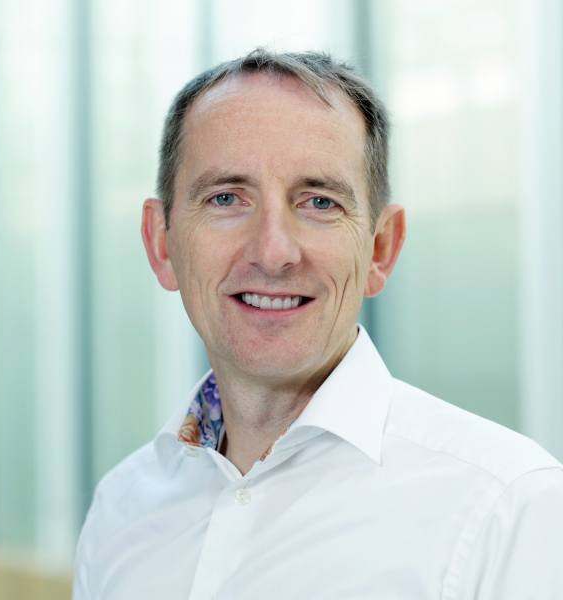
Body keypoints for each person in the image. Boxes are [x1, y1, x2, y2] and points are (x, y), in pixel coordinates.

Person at [72, 50, 563, 599]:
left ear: (380, 248)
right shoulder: (122, 509)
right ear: (161, 242)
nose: (274, 251)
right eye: (227, 198)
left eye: (319, 202)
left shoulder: (508, 508)